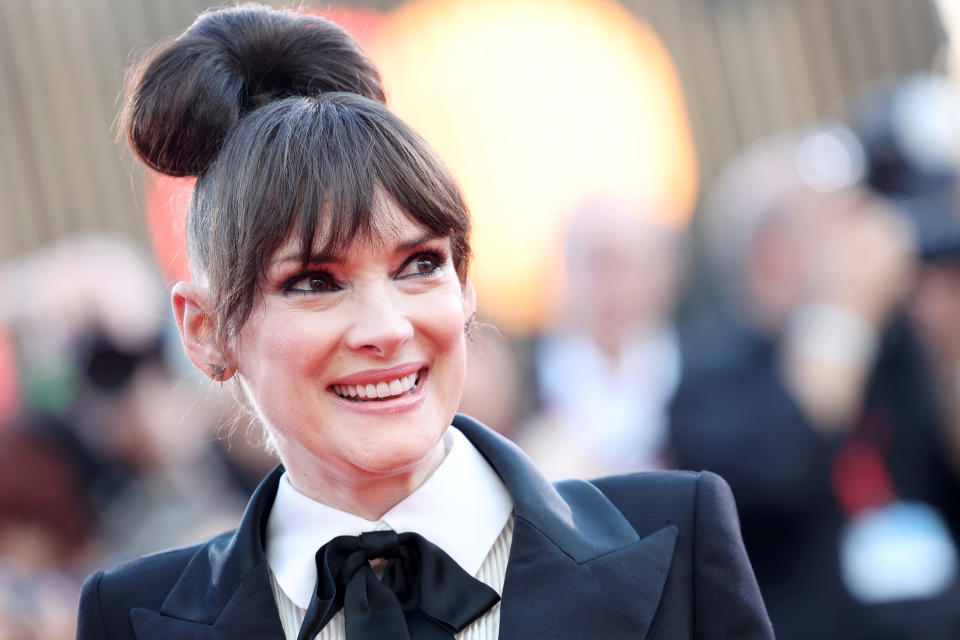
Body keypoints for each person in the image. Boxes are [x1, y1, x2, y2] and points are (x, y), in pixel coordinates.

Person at [76, 5, 773, 639]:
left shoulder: (678, 535)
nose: (387, 327)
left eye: (419, 266)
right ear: (205, 330)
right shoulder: (129, 619)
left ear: (466, 285)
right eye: (314, 281)